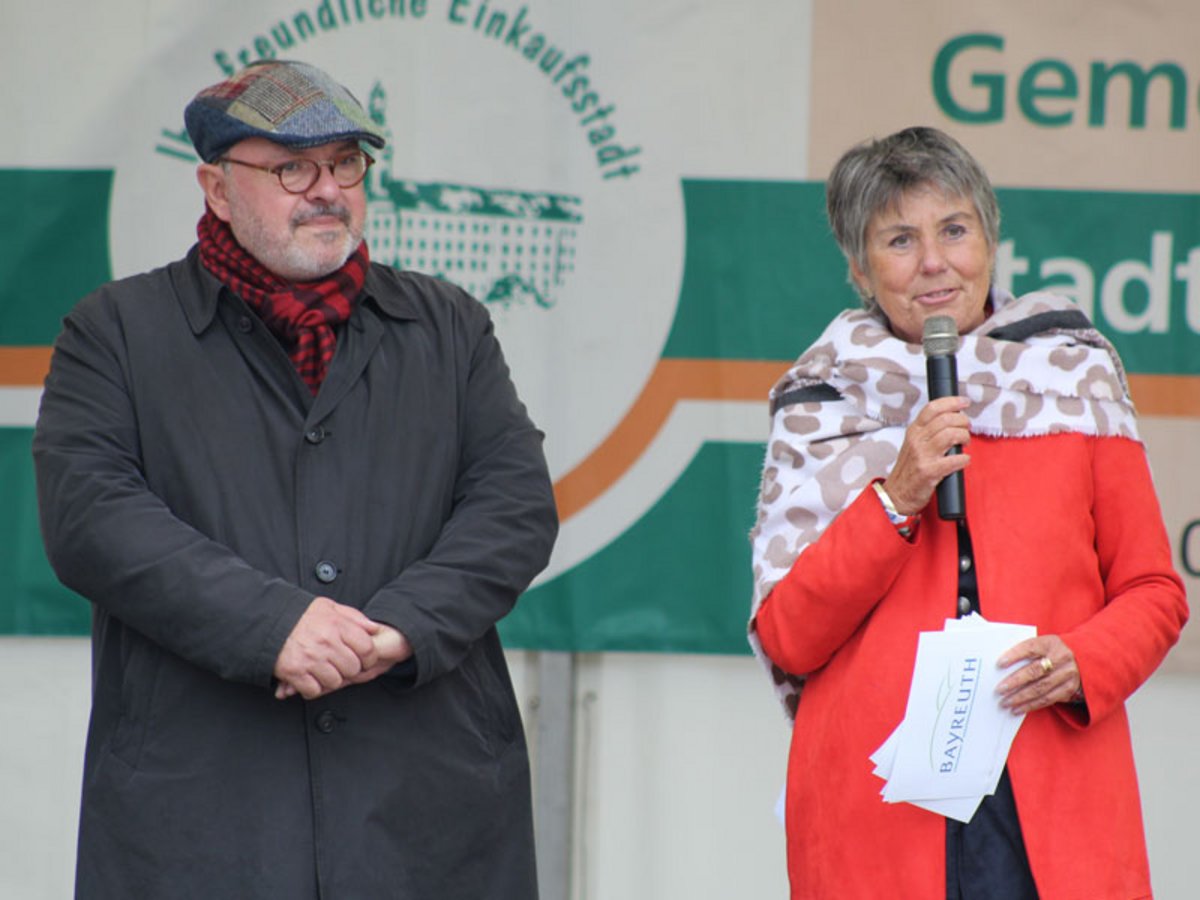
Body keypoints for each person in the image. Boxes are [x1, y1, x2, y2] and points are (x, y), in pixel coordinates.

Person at [33, 59, 557, 899]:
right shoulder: (116, 332)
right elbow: (90, 516)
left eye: (346, 163)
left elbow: (514, 506)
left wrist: (396, 629)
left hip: (421, 800)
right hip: (204, 807)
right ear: (215, 187)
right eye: (291, 169)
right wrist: (273, 625)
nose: (327, 190)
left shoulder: (448, 325)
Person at [748, 126, 1188, 899]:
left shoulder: (1071, 373)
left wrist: (1084, 662)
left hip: (1051, 794)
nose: (934, 263)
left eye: (954, 229)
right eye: (898, 239)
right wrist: (897, 495)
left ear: (990, 236)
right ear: (858, 267)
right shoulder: (821, 403)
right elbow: (791, 636)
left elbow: (1155, 590)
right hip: (879, 809)